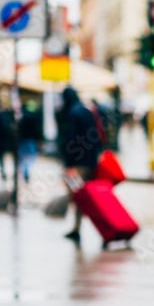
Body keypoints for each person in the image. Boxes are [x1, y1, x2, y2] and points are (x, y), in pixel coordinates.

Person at [58, 86, 103, 243]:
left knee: (78, 196)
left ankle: (80, 227)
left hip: (77, 164)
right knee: (82, 197)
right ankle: (77, 228)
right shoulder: (86, 110)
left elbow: (70, 139)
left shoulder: (72, 113)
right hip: (90, 161)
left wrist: (69, 162)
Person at [18, 101, 43, 183]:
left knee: (22, 158)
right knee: (32, 157)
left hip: (23, 140)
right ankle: (27, 171)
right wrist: (40, 140)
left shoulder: (22, 117)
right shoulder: (35, 118)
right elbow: (37, 130)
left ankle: (25, 171)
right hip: (31, 140)